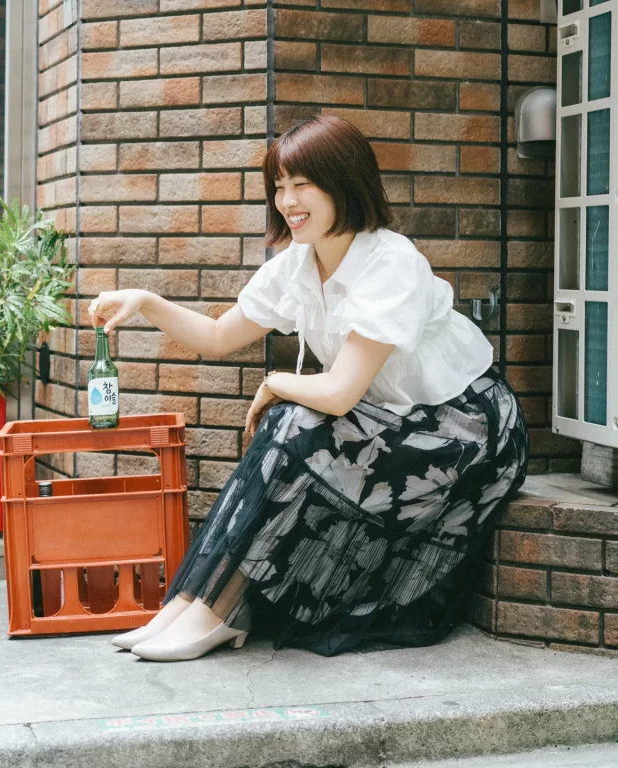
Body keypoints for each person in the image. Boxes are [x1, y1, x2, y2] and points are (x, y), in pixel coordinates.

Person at [89, 113, 528, 662]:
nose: (287, 201)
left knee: (292, 420)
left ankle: (216, 609)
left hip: (464, 427)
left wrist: (276, 382)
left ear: (344, 183)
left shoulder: (391, 263)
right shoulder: (298, 264)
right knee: (288, 421)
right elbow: (219, 336)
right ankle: (191, 601)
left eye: (302, 185)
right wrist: (146, 302)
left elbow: (339, 394)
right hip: (394, 416)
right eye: (279, 186)